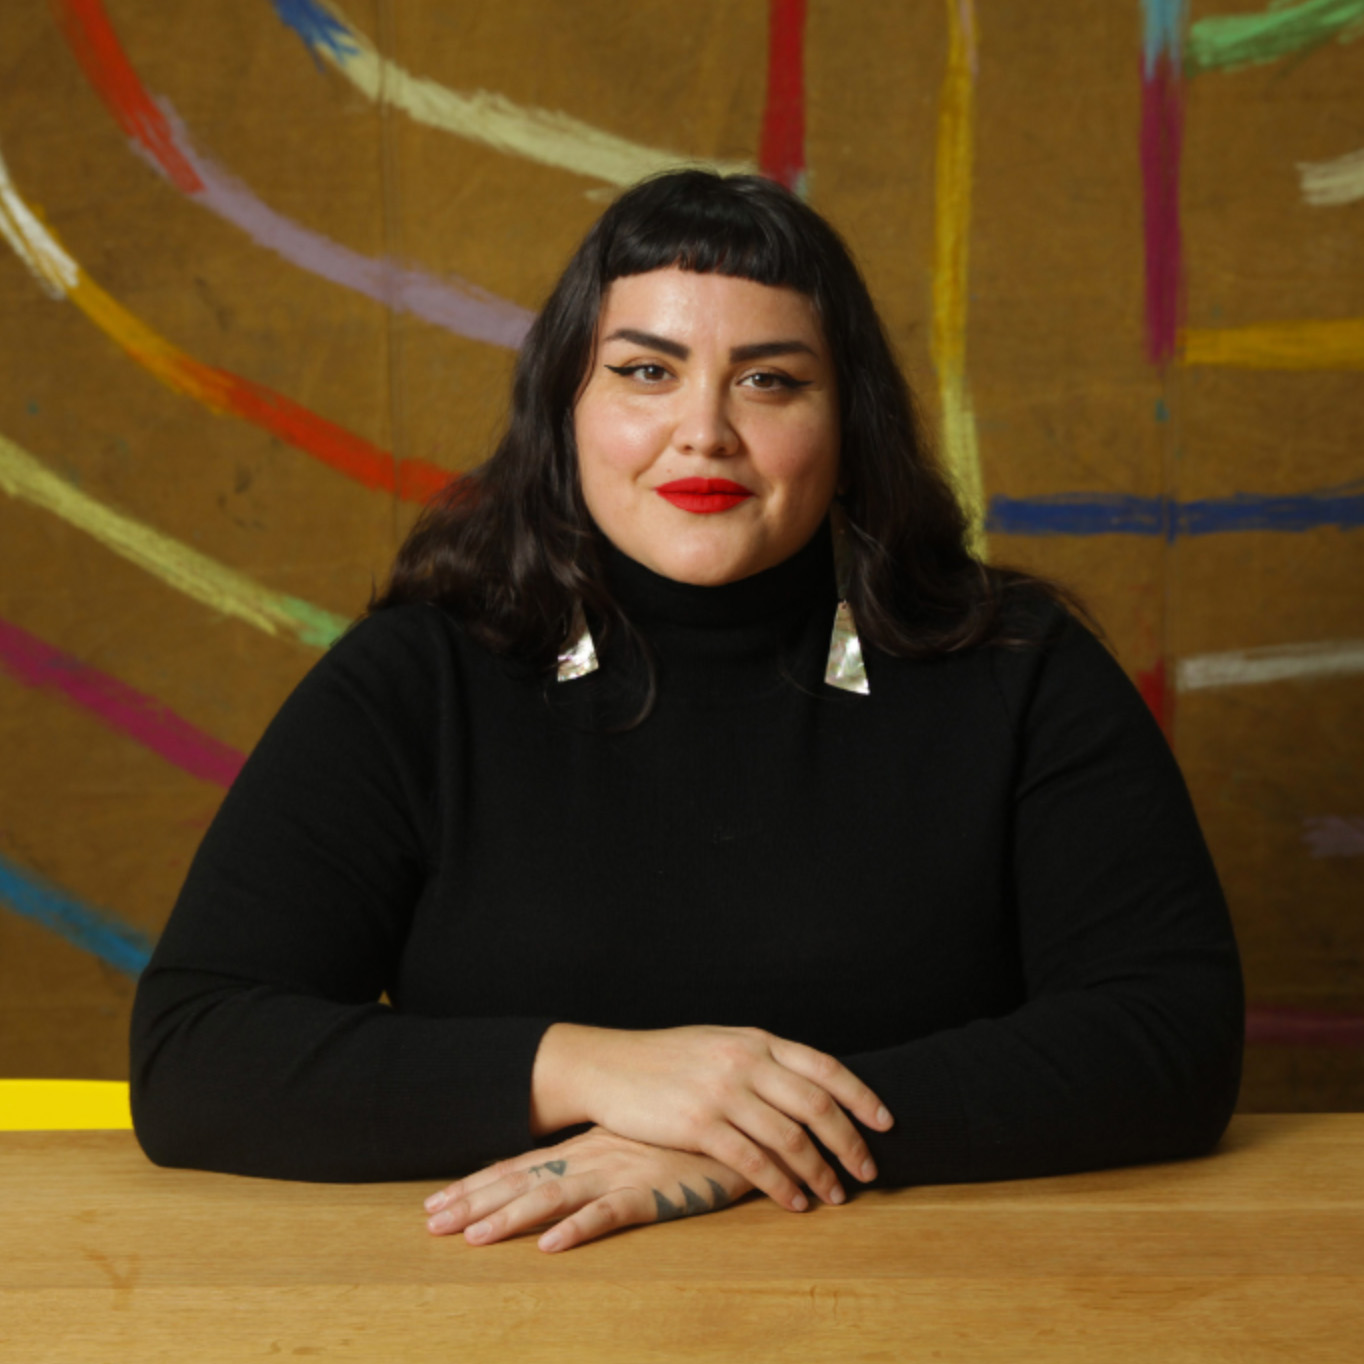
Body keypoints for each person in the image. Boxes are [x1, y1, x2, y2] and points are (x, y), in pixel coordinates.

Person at [130, 171, 1243, 1255]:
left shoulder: (1019, 666)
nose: (704, 429)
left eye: (768, 381)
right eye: (646, 371)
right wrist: (594, 1070)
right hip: (516, 1308)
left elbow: (1168, 1034)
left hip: (924, 1298)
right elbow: (196, 1051)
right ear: (564, 406)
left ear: (846, 421)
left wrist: (740, 1143)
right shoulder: (418, 679)